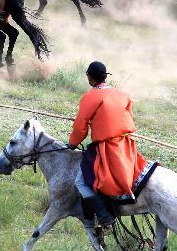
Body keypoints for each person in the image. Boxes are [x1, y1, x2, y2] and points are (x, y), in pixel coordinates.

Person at [68, 61, 147, 228]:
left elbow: (80, 127)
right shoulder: (123, 95)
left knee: (81, 182)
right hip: (126, 146)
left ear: (90, 78)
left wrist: (72, 143)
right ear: (105, 76)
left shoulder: (89, 97)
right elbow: (127, 118)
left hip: (106, 148)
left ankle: (105, 216)